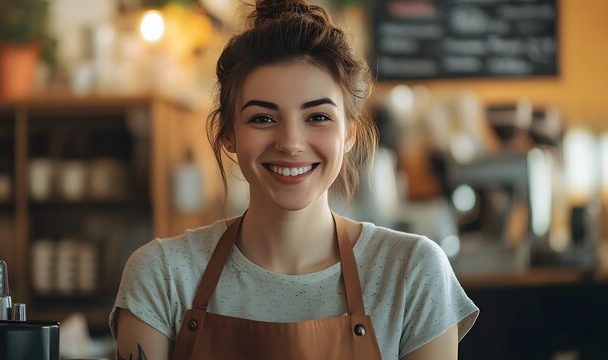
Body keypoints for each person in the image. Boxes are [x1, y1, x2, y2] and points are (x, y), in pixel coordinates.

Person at [110, 1, 478, 359]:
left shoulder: (412, 273)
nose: (290, 143)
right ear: (229, 135)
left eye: (317, 117)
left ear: (349, 133)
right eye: (263, 119)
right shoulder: (162, 276)